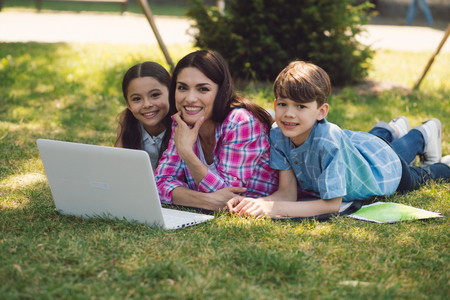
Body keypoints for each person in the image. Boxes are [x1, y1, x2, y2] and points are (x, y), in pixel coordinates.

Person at [227, 61, 450, 218]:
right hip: (361, 151)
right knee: (388, 148)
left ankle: (426, 138)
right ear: (274, 105)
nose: (289, 114)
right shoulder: (278, 134)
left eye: (301, 106)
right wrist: (256, 203)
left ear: (321, 111)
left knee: (419, 175)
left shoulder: (328, 141)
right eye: (283, 104)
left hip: (382, 171)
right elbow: (287, 193)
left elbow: (332, 205)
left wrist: (274, 209)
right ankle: (402, 131)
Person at [155, 50, 279, 211]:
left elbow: (229, 196)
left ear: (221, 91)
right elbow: (160, 183)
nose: (190, 98)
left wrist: (187, 154)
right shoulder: (183, 122)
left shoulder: (240, 122)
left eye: (203, 89)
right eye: (182, 88)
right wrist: (205, 201)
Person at [115, 61, 172, 172]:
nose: (147, 104)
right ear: (128, 104)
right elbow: (117, 162)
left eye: (155, 95)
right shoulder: (127, 119)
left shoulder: (181, 122)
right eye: (137, 99)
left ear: (171, 94)